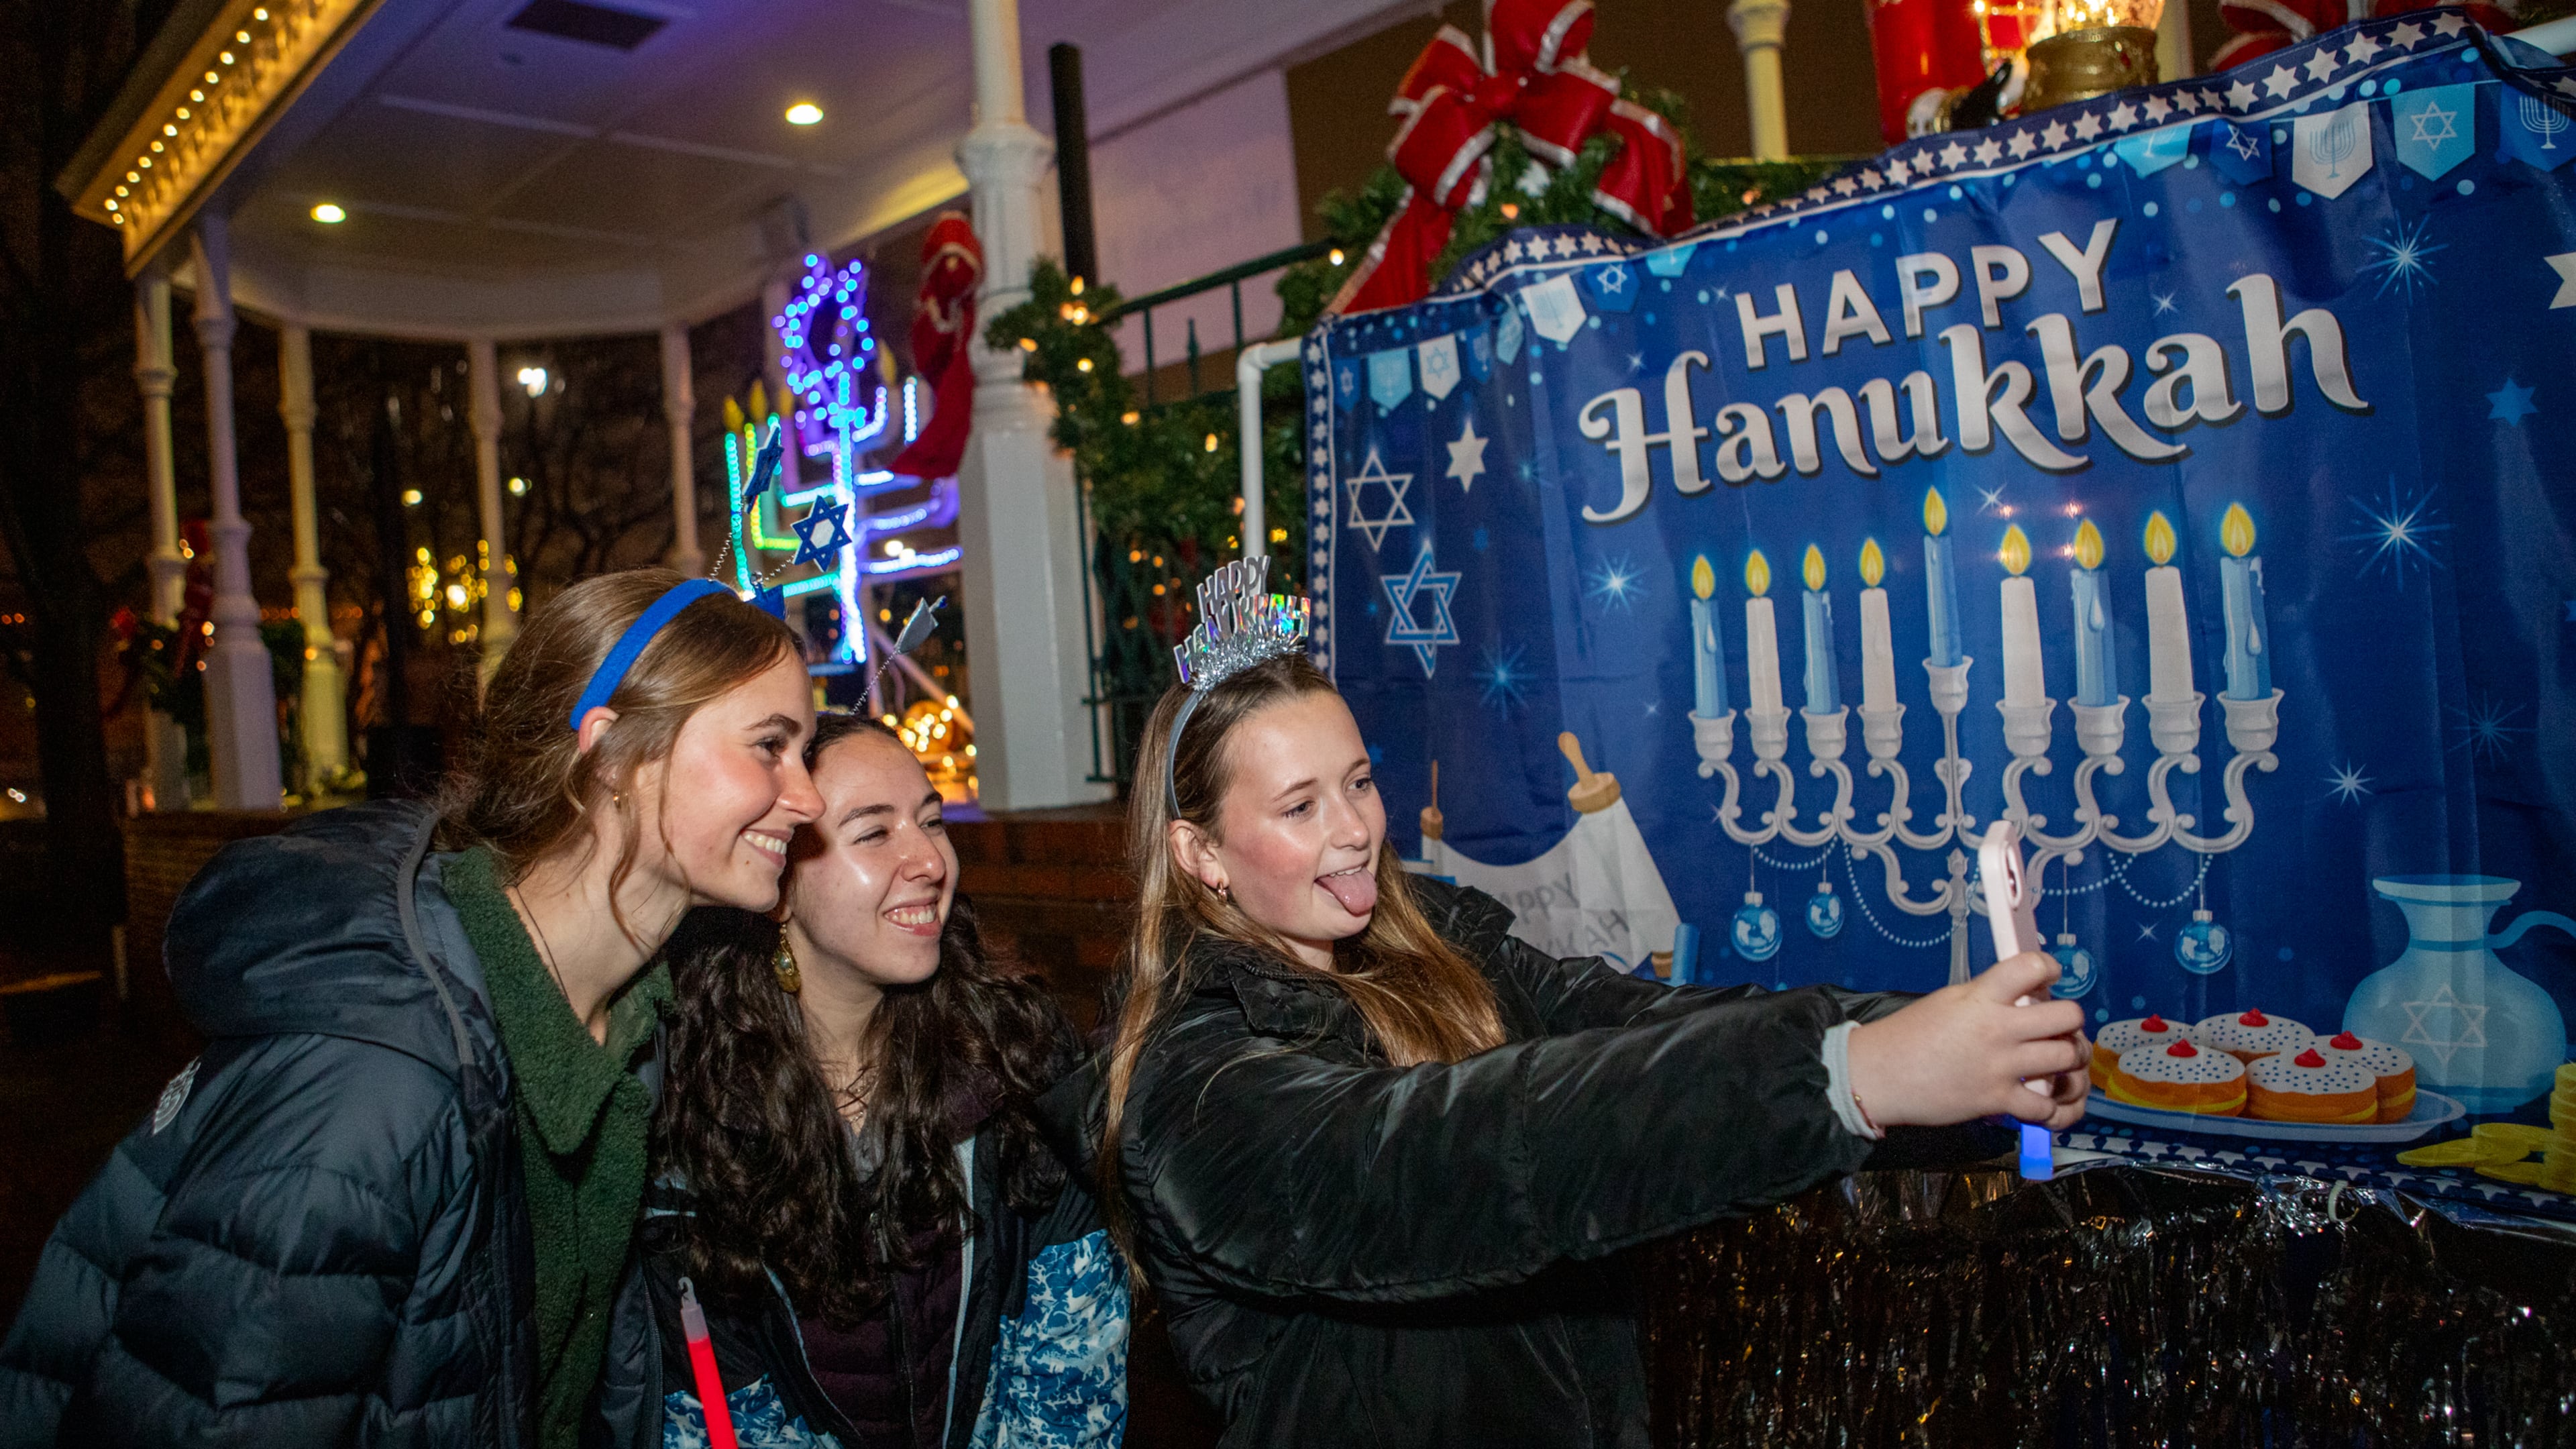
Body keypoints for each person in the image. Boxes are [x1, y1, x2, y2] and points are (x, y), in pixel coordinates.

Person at [1077, 637, 2090, 1448]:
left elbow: (1642, 1026)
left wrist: (1936, 1050)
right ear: (1199, 852)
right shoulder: (1195, 1081)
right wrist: (1846, 1078)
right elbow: (1456, 1153)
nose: (1356, 831)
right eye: (1300, 807)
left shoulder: (1436, 951)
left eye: (1358, 783)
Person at [0, 570, 824, 1448]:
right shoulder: (377, 1073)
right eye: (770, 746)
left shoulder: (626, 1031)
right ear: (613, 754)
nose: (807, 796)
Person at [646, 712, 1125, 1449]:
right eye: (874, 833)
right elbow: (721, 1408)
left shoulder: (1014, 1058)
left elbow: (1073, 1352)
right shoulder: (694, 1112)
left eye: (931, 822)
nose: (930, 861)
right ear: (777, 879)